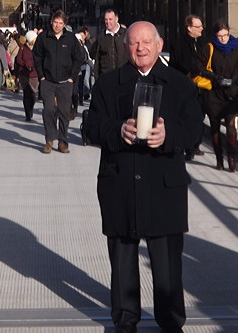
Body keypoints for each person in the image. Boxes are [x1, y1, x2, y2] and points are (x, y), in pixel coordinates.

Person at [85, 21, 202, 333]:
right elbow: (90, 127)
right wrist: (117, 130)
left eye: (147, 42)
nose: (141, 48)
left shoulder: (180, 85)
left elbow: (195, 131)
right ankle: (125, 319)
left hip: (164, 186)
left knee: (167, 265)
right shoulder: (107, 85)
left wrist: (169, 135)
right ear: (126, 47)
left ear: (159, 45)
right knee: (122, 260)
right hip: (119, 183)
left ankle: (171, 320)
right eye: (135, 43)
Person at [192, 18, 238, 172]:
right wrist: (214, 77)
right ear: (215, 35)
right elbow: (197, 66)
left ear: (229, 33)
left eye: (225, 35)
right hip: (213, 93)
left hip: (231, 93)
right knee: (214, 125)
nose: (223, 39)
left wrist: (233, 80)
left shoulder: (236, 49)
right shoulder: (208, 48)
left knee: (231, 125)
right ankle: (219, 159)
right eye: (220, 36)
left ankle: (231, 158)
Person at [33, 10, 85, 154]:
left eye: (60, 23)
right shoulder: (44, 37)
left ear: (64, 25)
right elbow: (36, 57)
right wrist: (41, 76)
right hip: (48, 81)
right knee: (49, 110)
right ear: (51, 22)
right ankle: (49, 139)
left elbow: (78, 58)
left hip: (65, 82)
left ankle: (63, 142)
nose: (57, 25)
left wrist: (72, 77)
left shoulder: (70, 39)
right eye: (55, 22)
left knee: (64, 113)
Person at [169, 14, 207, 160]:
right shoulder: (178, 44)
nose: (201, 29)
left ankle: (196, 144)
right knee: (185, 115)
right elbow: (176, 64)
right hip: (185, 85)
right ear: (189, 28)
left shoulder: (205, 43)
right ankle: (188, 147)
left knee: (200, 115)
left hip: (202, 86)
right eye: (198, 26)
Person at [91, 8, 127, 79]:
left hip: (124, 76)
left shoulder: (126, 34)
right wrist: (97, 78)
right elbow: (97, 58)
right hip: (106, 77)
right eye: (106, 19)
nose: (107, 22)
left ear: (116, 20)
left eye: (110, 19)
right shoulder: (101, 37)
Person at [15, 31, 39, 121]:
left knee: (33, 94)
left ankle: (31, 108)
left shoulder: (38, 48)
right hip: (24, 74)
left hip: (34, 74)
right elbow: (18, 60)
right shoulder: (23, 48)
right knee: (26, 93)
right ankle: (27, 113)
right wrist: (26, 64)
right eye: (34, 38)